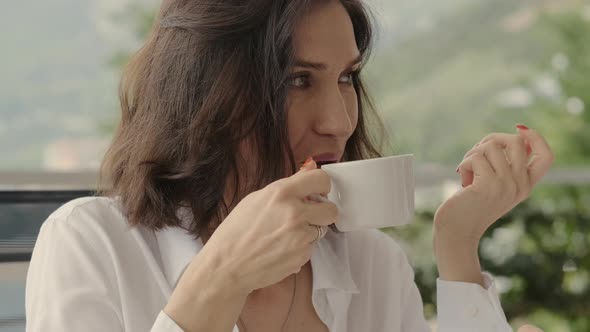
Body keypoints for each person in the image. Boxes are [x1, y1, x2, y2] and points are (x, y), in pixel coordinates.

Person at [25, 0, 553, 331]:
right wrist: (221, 278)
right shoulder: (89, 244)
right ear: (206, 93)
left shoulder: (372, 263)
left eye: (346, 78)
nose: (339, 122)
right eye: (297, 80)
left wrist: (457, 246)